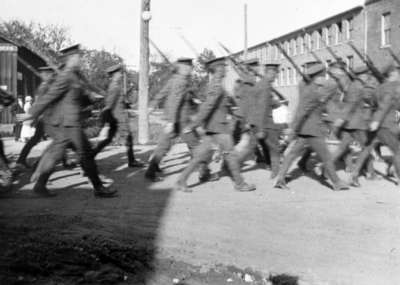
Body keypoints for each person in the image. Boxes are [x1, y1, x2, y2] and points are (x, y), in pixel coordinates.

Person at [20, 44, 116, 198]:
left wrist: (91, 99)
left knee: (56, 154)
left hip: (66, 123)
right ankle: (98, 187)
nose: (80, 59)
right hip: (69, 122)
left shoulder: (74, 75)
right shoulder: (66, 75)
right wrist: (32, 113)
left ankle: (40, 184)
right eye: (78, 57)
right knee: (86, 153)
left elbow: (77, 96)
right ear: (71, 58)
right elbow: (50, 95)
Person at [173, 58, 256, 193]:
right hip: (218, 127)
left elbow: (216, 105)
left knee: (199, 155)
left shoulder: (215, 84)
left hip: (213, 127)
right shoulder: (217, 85)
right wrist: (194, 124)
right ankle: (240, 183)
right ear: (218, 69)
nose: (226, 69)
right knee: (230, 155)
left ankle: (181, 181)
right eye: (223, 67)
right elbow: (208, 106)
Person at [274, 61, 349, 191]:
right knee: (325, 156)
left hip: (306, 128)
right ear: (318, 76)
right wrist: (293, 128)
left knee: (292, 154)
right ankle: (336, 182)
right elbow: (304, 110)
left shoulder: (307, 87)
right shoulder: (315, 91)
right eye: (322, 75)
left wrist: (295, 128)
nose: (324, 78)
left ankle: (280, 179)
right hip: (313, 128)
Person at [144, 58, 213, 182]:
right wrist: (171, 122)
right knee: (195, 145)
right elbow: (175, 102)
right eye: (189, 67)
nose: (191, 69)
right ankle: (204, 172)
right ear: (183, 68)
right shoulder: (181, 81)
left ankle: (151, 171)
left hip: (175, 120)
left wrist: (152, 105)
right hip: (181, 121)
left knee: (163, 146)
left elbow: (163, 93)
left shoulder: (175, 80)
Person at [350, 63, 400, 187]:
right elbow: (385, 106)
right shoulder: (394, 87)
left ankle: (355, 174)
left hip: (374, 125)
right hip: (386, 125)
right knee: (398, 151)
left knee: (366, 149)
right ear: (392, 74)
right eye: (398, 73)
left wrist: (374, 121)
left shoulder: (378, 88)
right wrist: (377, 120)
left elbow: (373, 104)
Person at [236, 62, 282, 179]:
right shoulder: (265, 86)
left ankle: (232, 166)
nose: (276, 76)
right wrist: (261, 129)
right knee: (274, 147)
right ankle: (276, 173)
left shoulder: (261, 84)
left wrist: (275, 103)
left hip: (256, 122)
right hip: (265, 123)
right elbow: (261, 108)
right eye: (275, 74)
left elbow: (261, 102)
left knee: (250, 147)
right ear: (270, 73)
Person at [93, 64, 144, 167]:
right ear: (114, 75)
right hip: (118, 119)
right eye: (119, 73)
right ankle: (131, 161)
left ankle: (89, 157)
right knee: (127, 138)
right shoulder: (114, 87)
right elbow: (109, 105)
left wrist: (127, 104)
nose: (121, 75)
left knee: (107, 140)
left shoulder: (116, 86)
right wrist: (106, 124)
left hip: (117, 118)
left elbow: (117, 102)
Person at [331, 65, 377, 179]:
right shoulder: (356, 86)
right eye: (367, 75)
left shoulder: (356, 85)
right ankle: (370, 173)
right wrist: (341, 118)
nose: (368, 77)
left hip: (350, 123)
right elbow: (350, 104)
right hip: (356, 123)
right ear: (362, 75)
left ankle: (323, 167)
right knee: (367, 147)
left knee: (342, 148)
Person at [15, 66, 56, 169]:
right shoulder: (45, 87)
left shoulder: (45, 86)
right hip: (47, 118)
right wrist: (31, 116)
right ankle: (36, 163)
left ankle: (21, 160)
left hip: (47, 117)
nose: (52, 75)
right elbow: (40, 104)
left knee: (36, 139)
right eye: (50, 73)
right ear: (45, 75)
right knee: (60, 139)